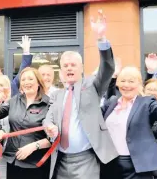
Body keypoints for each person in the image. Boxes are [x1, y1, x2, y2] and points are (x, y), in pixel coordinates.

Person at [43, 10, 118, 179]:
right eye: (66, 65)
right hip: (60, 160)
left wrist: (101, 39)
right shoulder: (57, 95)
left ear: (82, 68)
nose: (69, 68)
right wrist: (50, 127)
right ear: (61, 71)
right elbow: (48, 119)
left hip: (86, 159)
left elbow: (108, 68)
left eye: (73, 65)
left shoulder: (92, 85)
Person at [101, 66, 157, 179]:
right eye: (122, 81)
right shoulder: (111, 102)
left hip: (136, 166)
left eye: (131, 81)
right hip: (110, 163)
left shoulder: (146, 103)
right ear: (117, 83)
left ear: (139, 84)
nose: (126, 85)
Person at [0, 67, 52, 179]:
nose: (26, 82)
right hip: (13, 160)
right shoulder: (14, 100)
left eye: (30, 79)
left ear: (38, 83)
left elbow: (54, 137)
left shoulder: (48, 104)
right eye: (23, 80)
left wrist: (34, 146)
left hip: (36, 163)